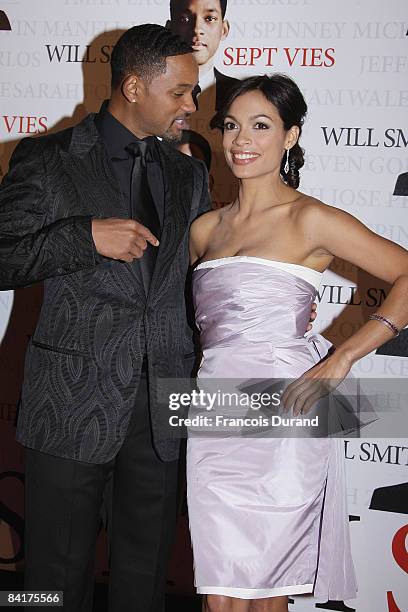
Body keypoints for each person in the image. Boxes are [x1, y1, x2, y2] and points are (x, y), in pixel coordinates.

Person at [0, 23, 211, 612]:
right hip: (69, 403)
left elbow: (194, 278)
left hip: (161, 407)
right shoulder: (47, 158)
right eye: (181, 92)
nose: (192, 105)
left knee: (144, 582)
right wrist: (81, 238)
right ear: (135, 87)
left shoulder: (189, 175)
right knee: (50, 579)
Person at [187, 74, 408, 612]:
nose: (242, 139)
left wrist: (344, 356)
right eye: (232, 125)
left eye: (261, 126)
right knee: (219, 588)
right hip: (216, 413)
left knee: (267, 589)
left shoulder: (311, 218)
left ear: (290, 136)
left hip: (288, 411)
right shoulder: (204, 229)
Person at [167, 0, 239, 205]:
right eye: (185, 19)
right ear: (169, 27)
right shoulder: (146, 95)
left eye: (209, 18)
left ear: (223, 29)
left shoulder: (241, 98)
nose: (197, 29)